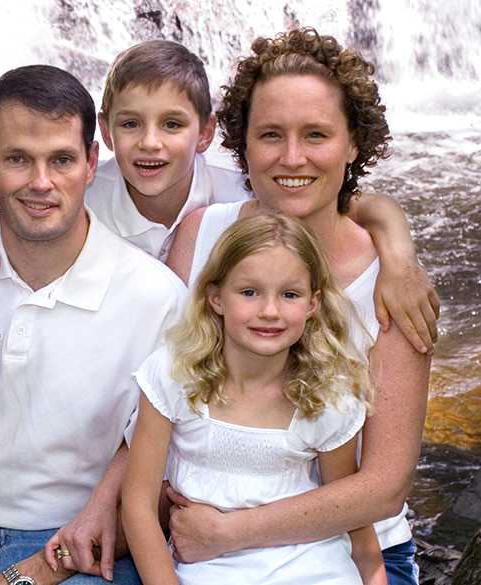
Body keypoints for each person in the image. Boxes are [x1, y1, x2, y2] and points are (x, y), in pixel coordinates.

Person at [0, 39, 439, 354]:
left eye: (172, 125)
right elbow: (16, 193)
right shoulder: (90, 186)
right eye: (131, 124)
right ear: (106, 136)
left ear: (205, 134)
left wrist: (398, 256)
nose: (151, 142)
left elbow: (357, 202)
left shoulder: (239, 188)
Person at [164, 28, 431, 585]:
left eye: (316, 135)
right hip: (198, 551)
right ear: (242, 145)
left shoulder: (391, 286)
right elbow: (158, 397)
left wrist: (231, 531)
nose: (292, 158)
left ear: (353, 144)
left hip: (347, 552)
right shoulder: (199, 237)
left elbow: (384, 485)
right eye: (270, 135)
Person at [0, 65, 185, 585]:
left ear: (91, 162)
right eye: (17, 159)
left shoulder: (155, 296)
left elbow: (162, 446)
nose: (41, 183)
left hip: (75, 546)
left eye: (61, 160)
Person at [123, 213, 387, 585]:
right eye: (249, 292)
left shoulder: (327, 394)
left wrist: (374, 575)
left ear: (312, 305)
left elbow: (351, 516)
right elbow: (138, 504)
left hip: (313, 567)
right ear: (215, 297)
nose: (269, 311)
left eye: (289, 295)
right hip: (208, 567)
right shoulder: (174, 375)